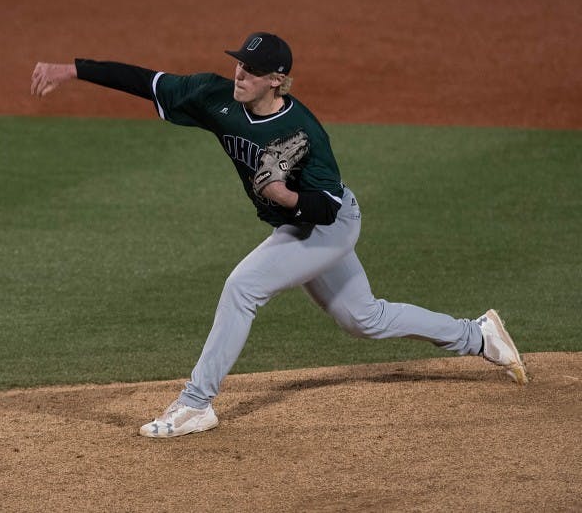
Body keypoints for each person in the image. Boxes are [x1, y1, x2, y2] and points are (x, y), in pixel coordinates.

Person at [30, 31, 528, 439]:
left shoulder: (306, 130)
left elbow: (328, 206)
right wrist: (72, 70)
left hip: (328, 225)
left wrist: (286, 196)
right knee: (363, 318)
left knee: (243, 286)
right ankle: (477, 335)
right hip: (301, 227)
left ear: (278, 80)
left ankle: (196, 404)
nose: (239, 76)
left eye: (251, 71)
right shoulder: (215, 96)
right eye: (238, 66)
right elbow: (147, 81)